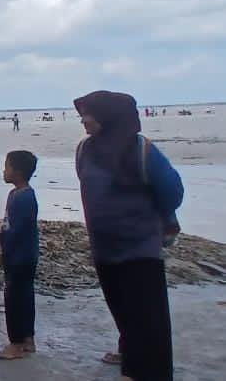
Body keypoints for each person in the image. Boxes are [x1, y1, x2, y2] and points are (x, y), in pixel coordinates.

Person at [74, 91, 184, 381]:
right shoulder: (84, 150)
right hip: (104, 247)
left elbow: (172, 191)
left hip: (140, 248)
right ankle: (131, 358)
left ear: (109, 116)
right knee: (123, 311)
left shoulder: (142, 150)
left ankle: (149, 373)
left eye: (88, 115)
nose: (83, 120)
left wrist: (156, 221)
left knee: (149, 318)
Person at [0, 151, 39, 360]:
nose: (4, 171)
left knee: (14, 299)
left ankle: (16, 343)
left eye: (7, 167)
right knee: (24, 296)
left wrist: (5, 250)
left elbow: (17, 230)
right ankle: (28, 339)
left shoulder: (24, 198)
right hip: (22, 253)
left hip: (20, 255)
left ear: (18, 172)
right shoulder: (16, 194)